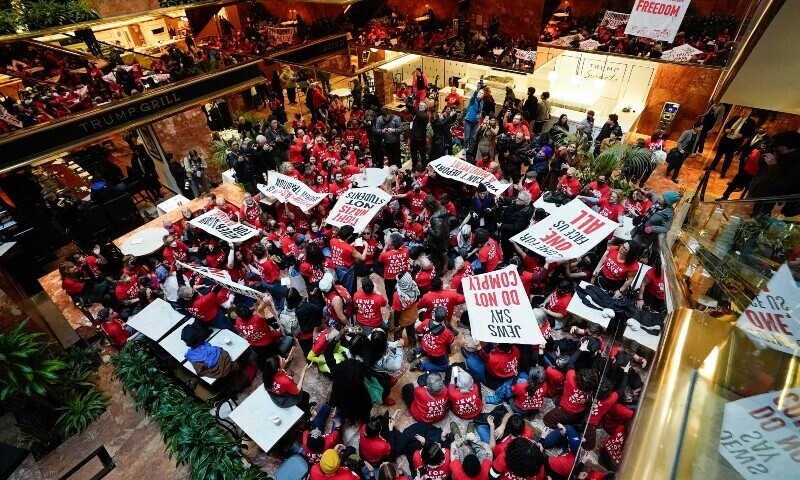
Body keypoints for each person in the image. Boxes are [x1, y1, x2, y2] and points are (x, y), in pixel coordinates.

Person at [748, 131, 800, 217]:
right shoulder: (780, 154)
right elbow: (760, 166)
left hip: (770, 199)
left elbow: (781, 185)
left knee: (760, 217)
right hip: (759, 191)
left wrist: (773, 165)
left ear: (787, 146)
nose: (776, 148)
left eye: (778, 146)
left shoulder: (795, 162)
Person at [709, 109, 756, 178]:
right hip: (725, 139)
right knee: (718, 155)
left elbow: (750, 133)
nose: (743, 114)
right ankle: (712, 167)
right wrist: (726, 129)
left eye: (745, 113)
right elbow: (726, 125)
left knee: (728, 158)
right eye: (742, 112)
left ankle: (723, 171)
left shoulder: (751, 122)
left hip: (735, 143)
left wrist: (742, 135)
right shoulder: (735, 118)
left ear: (749, 114)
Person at [406, 96, 429, 170]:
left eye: (423, 106)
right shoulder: (416, 113)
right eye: (420, 105)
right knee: (413, 154)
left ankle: (424, 166)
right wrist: (409, 100)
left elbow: (419, 114)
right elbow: (409, 107)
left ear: (426, 108)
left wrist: (414, 106)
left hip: (420, 138)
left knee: (422, 154)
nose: (421, 106)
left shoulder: (425, 115)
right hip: (413, 137)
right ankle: (414, 165)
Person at [464, 86, 485, 150]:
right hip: (469, 120)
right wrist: (476, 90)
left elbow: (480, 111)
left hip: (476, 121)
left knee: (473, 137)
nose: (480, 94)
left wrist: (479, 120)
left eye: (482, 93)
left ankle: (471, 149)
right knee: (467, 137)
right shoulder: (473, 100)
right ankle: (465, 149)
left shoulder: (482, 102)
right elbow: (473, 96)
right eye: (479, 92)